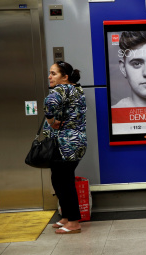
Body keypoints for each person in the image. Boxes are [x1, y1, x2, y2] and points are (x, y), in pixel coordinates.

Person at [45, 61, 87, 234]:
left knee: (64, 182)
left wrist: (51, 121)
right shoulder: (77, 90)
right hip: (76, 142)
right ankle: (66, 217)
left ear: (65, 77)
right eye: (50, 73)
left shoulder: (61, 90)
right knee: (59, 179)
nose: (50, 76)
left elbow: (49, 102)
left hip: (65, 144)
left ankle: (74, 222)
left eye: (54, 73)